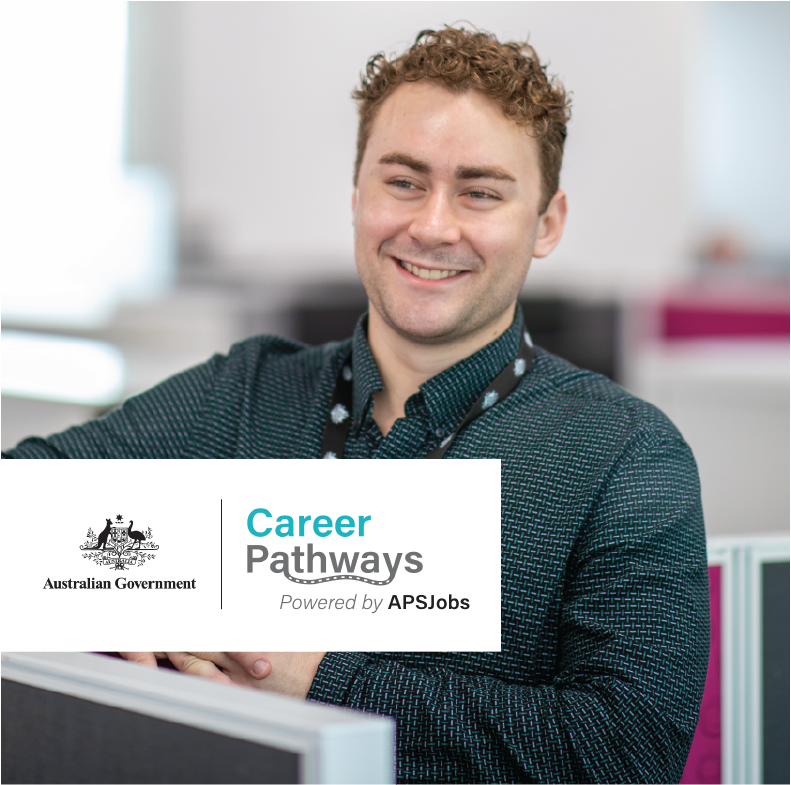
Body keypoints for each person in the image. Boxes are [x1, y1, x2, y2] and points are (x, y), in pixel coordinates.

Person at [4, 27, 708, 784]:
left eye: (479, 192)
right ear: (356, 197)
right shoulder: (246, 394)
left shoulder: (623, 453)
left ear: (545, 223)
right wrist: (120, 584)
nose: (432, 225)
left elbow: (625, 750)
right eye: (403, 182)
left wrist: (317, 681)